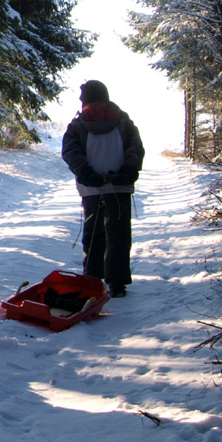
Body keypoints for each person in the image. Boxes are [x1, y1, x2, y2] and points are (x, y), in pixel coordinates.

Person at [61, 79, 144, 297]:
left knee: (93, 233)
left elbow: (70, 152)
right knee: (118, 233)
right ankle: (117, 283)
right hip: (120, 186)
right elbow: (136, 148)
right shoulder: (123, 121)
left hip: (92, 188)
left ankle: (92, 280)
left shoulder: (77, 125)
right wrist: (127, 172)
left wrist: (86, 174)